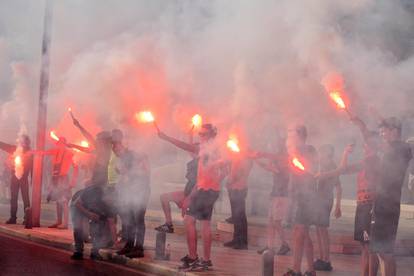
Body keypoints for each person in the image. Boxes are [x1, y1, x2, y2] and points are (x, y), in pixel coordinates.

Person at [158, 123, 225, 271]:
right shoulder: (215, 150)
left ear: (212, 136)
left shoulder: (207, 150)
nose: (200, 136)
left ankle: (194, 257)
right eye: (199, 134)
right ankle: (205, 260)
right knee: (205, 224)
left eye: (203, 134)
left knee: (189, 221)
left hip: (204, 191)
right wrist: (214, 181)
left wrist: (166, 137)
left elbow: (185, 146)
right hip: (210, 190)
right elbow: (224, 170)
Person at [369, 117, 412, 276]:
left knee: (385, 251)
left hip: (388, 205)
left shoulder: (401, 148)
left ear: (394, 131)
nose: (381, 134)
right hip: (382, 203)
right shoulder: (391, 149)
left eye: (384, 131)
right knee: (381, 251)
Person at [284, 125, 318, 276]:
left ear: (300, 136)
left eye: (292, 134)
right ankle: (310, 270)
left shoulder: (309, 149)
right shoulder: (293, 151)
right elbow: (293, 174)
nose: (290, 137)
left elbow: (310, 168)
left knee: (300, 233)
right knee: (302, 234)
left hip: (308, 197)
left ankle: (297, 270)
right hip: (299, 196)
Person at [155, 129, 199, 234]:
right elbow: (188, 147)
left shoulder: (202, 160)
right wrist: (190, 135)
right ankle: (168, 224)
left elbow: (198, 183)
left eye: (194, 148)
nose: (192, 150)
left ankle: (191, 234)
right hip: (187, 191)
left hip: (194, 193)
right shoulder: (196, 156)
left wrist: (188, 198)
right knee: (164, 197)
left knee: (187, 217)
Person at [114, 141, 150, 258]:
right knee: (129, 220)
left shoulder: (136, 156)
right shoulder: (124, 158)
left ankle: (139, 248)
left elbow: (145, 171)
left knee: (138, 220)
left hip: (141, 191)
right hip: (130, 192)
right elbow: (125, 176)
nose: (115, 151)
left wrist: (127, 172)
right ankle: (129, 245)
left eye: (117, 148)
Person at [255, 139, 291, 256]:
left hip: (281, 196)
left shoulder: (285, 162)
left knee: (276, 222)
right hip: (275, 194)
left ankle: (285, 244)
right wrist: (257, 159)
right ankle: (270, 246)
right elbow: (270, 166)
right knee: (270, 221)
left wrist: (257, 159)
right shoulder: (279, 161)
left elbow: (270, 168)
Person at [39, 136, 78, 229]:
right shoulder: (55, 151)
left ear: (64, 144)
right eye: (59, 143)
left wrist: (73, 181)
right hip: (55, 178)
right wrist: (31, 153)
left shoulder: (69, 153)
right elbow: (44, 153)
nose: (60, 145)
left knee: (64, 201)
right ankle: (59, 221)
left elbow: (76, 167)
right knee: (57, 200)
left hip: (63, 179)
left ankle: (65, 223)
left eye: (61, 143)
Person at [313, 144, 342, 271]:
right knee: (318, 229)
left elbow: (338, 187)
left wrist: (338, 206)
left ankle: (327, 259)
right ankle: (321, 257)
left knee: (323, 230)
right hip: (319, 201)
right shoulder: (322, 165)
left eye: (321, 152)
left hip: (325, 201)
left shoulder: (331, 166)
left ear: (327, 153)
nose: (319, 155)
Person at [0, 135, 33, 224]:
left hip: (24, 178)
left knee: (25, 198)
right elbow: (5, 146)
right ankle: (13, 217)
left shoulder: (30, 152)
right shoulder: (15, 149)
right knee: (13, 198)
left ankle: (27, 218)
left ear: (26, 142)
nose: (20, 142)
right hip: (14, 177)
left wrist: (32, 179)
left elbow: (33, 167)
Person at [223, 153, 253, 250]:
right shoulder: (237, 157)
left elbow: (239, 173)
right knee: (236, 216)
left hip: (239, 189)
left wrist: (230, 181)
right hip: (234, 188)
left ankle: (242, 242)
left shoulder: (244, 158)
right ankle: (236, 239)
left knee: (240, 216)